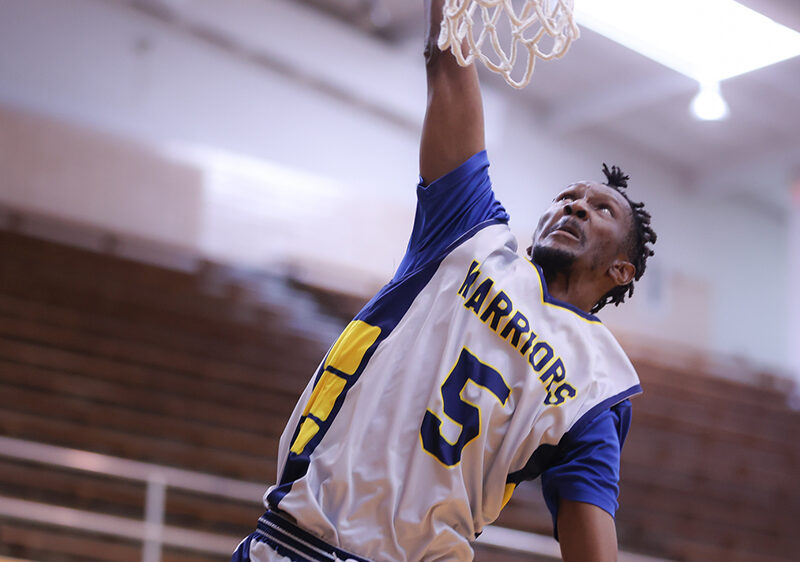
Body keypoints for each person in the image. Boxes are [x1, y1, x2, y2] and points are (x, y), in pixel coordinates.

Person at [233, 0, 656, 560]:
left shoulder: (598, 382)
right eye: (567, 198)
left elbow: (589, 522)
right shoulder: (471, 232)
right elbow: (447, 72)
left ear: (621, 271)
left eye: (600, 209)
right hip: (297, 540)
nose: (575, 207)